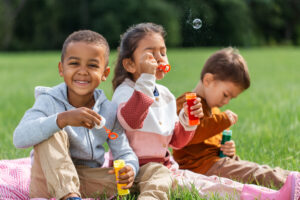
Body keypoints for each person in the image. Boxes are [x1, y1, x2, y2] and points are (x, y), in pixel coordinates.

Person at [111, 23, 300, 200]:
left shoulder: (165, 95)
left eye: (163, 52)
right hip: (135, 171)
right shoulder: (125, 92)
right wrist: (146, 79)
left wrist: (187, 121)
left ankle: (271, 195)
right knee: (208, 186)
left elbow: (176, 141)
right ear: (130, 64)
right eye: (151, 53)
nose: (160, 58)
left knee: (216, 184)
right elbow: (132, 120)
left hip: (165, 168)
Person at [13, 30, 139, 200]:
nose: (82, 71)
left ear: (105, 74)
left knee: (148, 174)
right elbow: (19, 138)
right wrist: (61, 120)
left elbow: (124, 153)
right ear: (61, 69)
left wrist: (129, 168)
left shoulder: (109, 111)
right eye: (74, 63)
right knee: (51, 130)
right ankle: (70, 196)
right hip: (47, 181)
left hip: (85, 178)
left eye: (93, 65)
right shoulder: (48, 101)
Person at [173, 47, 300, 199]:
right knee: (254, 173)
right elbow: (189, 135)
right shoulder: (189, 103)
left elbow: (209, 141)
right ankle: (292, 185)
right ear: (208, 80)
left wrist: (227, 149)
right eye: (226, 94)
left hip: (215, 162)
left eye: (230, 98)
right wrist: (222, 121)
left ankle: (291, 180)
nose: (226, 101)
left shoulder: (213, 109)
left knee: (255, 169)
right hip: (200, 167)